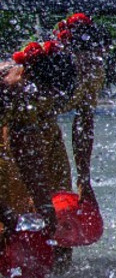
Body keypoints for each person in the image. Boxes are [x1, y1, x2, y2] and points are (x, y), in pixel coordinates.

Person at [9, 14, 109, 261]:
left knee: (61, 208)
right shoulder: (35, 73)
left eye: (95, 56)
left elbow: (84, 124)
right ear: (67, 51)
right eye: (83, 56)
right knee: (23, 205)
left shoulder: (93, 73)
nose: (90, 63)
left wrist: (84, 179)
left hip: (48, 134)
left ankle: (60, 273)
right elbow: (16, 138)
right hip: (14, 139)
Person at [1, 41, 79, 265]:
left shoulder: (23, 95)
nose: (40, 101)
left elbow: (25, 152)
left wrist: (44, 205)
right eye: (40, 94)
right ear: (24, 73)